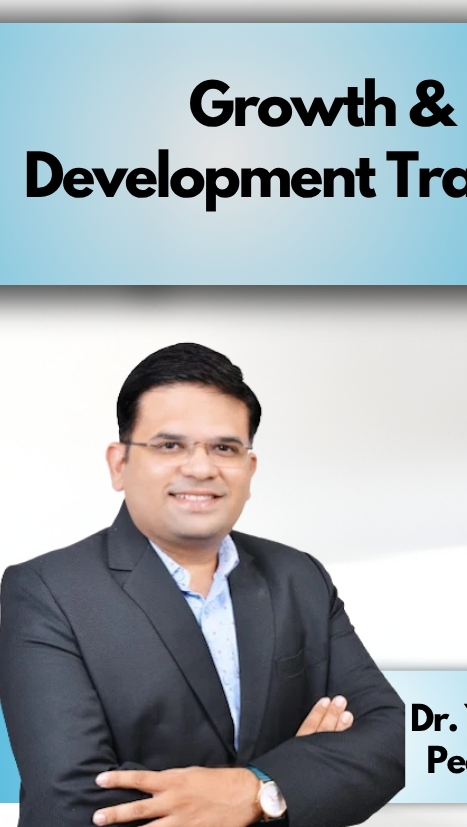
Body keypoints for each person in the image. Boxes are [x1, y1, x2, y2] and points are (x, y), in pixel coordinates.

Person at [0, 343, 404, 825]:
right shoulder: (45, 591)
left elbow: (392, 737)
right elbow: (73, 802)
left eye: (224, 448)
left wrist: (254, 789)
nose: (200, 467)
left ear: (249, 470)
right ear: (119, 464)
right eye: (170, 446)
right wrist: (293, 784)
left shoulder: (300, 578)